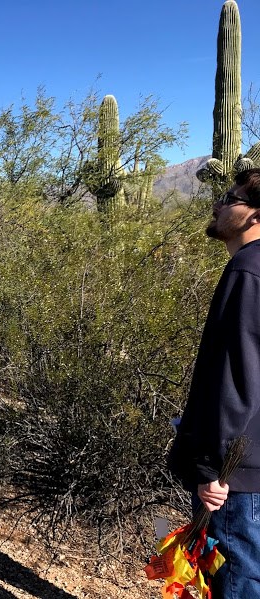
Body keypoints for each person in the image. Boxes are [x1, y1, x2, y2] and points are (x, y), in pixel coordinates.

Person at [169, 169, 260, 599]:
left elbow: (235, 381)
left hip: (235, 482)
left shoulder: (247, 271)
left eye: (231, 197)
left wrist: (212, 468)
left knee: (234, 582)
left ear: (255, 213)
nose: (219, 203)